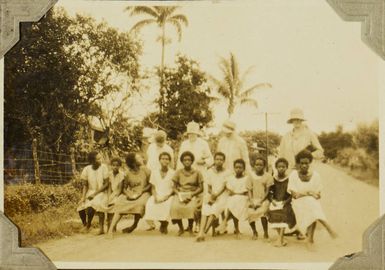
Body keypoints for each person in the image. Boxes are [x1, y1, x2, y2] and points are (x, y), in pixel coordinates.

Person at [288, 150, 337, 250]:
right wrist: (309, 193)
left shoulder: (316, 175)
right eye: (302, 163)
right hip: (298, 203)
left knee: (311, 205)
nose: (304, 165)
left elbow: (318, 195)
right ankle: (327, 227)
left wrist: (311, 194)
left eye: (306, 163)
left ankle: (310, 240)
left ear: (310, 162)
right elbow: (295, 195)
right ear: (298, 164)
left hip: (311, 203)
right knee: (311, 204)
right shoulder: (293, 175)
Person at [107, 153, 151, 238]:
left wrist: (141, 191)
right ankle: (110, 230)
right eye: (138, 158)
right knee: (120, 202)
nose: (141, 159)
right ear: (133, 162)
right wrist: (128, 194)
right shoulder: (127, 173)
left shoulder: (145, 170)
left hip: (144, 192)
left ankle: (134, 225)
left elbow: (150, 184)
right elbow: (124, 188)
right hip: (131, 193)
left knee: (140, 203)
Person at [196, 152, 231, 242]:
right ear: (214, 160)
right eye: (217, 159)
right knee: (205, 208)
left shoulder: (228, 172)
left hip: (223, 196)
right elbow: (209, 187)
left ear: (224, 161)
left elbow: (224, 187)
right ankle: (201, 232)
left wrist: (216, 195)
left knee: (215, 209)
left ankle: (204, 232)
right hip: (211, 194)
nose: (219, 161)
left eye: (221, 159)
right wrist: (212, 196)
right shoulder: (209, 171)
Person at [170, 151, 204, 236]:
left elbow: (201, 188)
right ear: (182, 161)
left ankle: (190, 228)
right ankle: (181, 228)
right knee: (175, 207)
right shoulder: (178, 172)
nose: (187, 161)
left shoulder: (197, 172)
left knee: (191, 208)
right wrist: (179, 194)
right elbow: (174, 187)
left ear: (192, 161)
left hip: (193, 194)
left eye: (189, 160)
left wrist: (192, 194)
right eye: (185, 160)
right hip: (181, 193)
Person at [77, 151, 109, 234]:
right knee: (81, 206)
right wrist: (83, 197)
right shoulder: (87, 169)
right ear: (92, 161)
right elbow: (85, 185)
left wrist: (95, 194)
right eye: (98, 159)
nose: (100, 160)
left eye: (100, 158)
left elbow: (106, 184)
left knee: (94, 204)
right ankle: (86, 225)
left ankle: (91, 226)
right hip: (90, 192)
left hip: (102, 192)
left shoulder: (104, 167)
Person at [266, 158, 296, 247]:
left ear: (286, 167)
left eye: (283, 167)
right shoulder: (273, 179)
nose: (281, 168)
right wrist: (272, 200)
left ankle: (280, 239)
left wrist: (285, 202)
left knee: (283, 213)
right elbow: (270, 192)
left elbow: (291, 195)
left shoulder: (289, 179)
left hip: (285, 202)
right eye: (279, 167)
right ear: (276, 167)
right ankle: (281, 238)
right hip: (275, 201)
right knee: (270, 212)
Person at [144, 152, 175, 234]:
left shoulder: (173, 173)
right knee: (150, 204)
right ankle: (161, 222)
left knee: (167, 205)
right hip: (157, 194)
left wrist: (167, 197)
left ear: (169, 161)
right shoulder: (154, 172)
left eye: (167, 159)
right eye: (163, 158)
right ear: (159, 160)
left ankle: (165, 223)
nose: (165, 160)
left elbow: (174, 188)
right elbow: (153, 187)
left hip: (168, 195)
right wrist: (155, 196)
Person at [222, 159, 252, 239]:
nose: (238, 169)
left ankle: (225, 221)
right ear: (234, 168)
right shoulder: (231, 178)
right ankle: (236, 229)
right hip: (234, 198)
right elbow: (230, 190)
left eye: (240, 167)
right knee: (232, 201)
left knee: (235, 202)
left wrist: (237, 193)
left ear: (244, 169)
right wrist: (236, 193)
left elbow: (246, 191)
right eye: (236, 167)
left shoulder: (246, 178)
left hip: (243, 198)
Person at [247, 154, 274, 240]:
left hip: (263, 199)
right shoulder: (250, 176)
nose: (258, 166)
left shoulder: (268, 176)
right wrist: (251, 201)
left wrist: (261, 202)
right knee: (250, 212)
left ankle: (265, 232)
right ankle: (254, 231)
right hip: (253, 199)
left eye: (261, 165)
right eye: (257, 164)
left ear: (264, 166)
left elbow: (267, 191)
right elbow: (249, 190)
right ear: (254, 165)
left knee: (263, 213)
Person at [105, 157, 125, 233]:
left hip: (119, 194)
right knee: (108, 203)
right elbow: (109, 187)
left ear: (120, 166)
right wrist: (109, 196)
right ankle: (109, 225)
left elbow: (120, 189)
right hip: (112, 193)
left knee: (115, 203)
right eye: (113, 165)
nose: (115, 167)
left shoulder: (121, 175)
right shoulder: (109, 174)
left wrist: (115, 196)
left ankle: (113, 226)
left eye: (117, 165)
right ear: (111, 166)